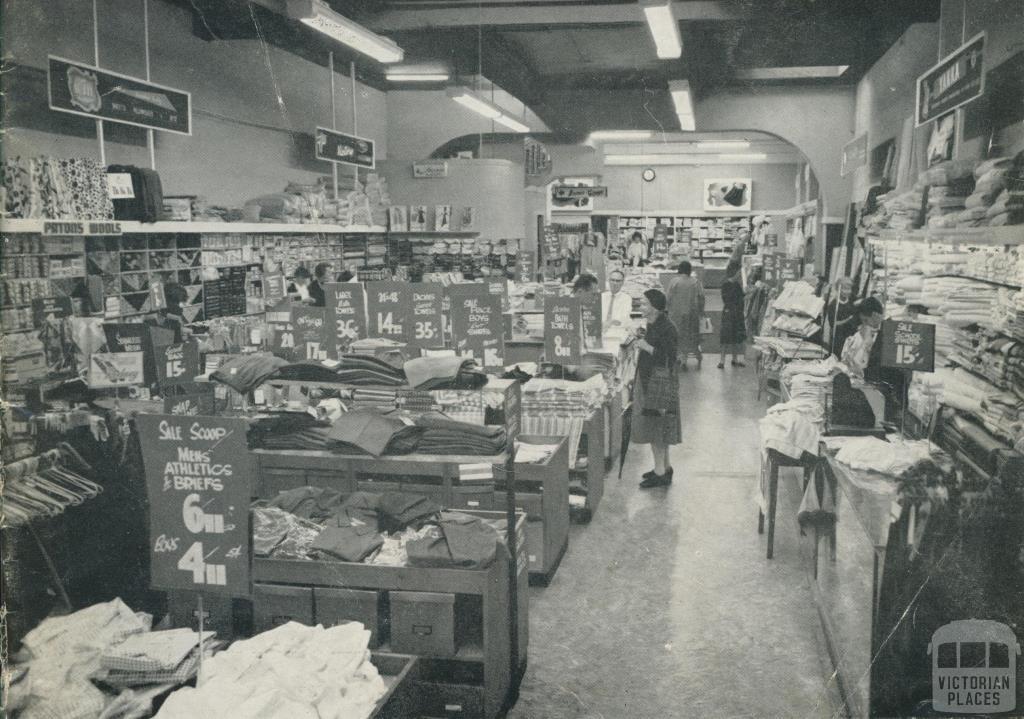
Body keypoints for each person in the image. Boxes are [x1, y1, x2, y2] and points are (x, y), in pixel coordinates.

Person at [631, 289, 680, 488]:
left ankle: (660, 473)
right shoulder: (654, 323)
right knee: (657, 426)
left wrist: (645, 346)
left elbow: (667, 356)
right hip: (652, 380)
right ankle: (663, 467)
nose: (640, 307)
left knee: (656, 428)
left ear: (654, 307)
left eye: (643, 304)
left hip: (659, 382)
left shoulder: (666, 327)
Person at [665, 261, 704, 370]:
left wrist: (666, 310)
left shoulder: (674, 281)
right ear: (689, 270)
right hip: (691, 314)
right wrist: (701, 311)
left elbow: (668, 298)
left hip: (675, 314)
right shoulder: (696, 282)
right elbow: (701, 298)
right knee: (689, 336)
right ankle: (686, 359)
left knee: (676, 336)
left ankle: (678, 357)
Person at [718, 260, 746, 368]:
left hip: (731, 312)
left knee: (734, 337)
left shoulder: (733, 284)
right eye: (739, 272)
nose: (740, 274)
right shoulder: (728, 284)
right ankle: (723, 360)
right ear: (734, 272)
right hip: (731, 312)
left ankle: (732, 359)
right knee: (727, 337)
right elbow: (731, 299)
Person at [822, 277, 856, 354]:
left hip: (851, 338)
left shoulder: (852, 301)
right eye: (845, 289)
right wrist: (848, 320)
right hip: (838, 340)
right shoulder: (833, 305)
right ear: (838, 289)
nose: (848, 292)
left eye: (849, 289)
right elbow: (833, 325)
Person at [601, 269, 633, 342]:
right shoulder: (602, 297)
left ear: (622, 283)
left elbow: (622, 319)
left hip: (617, 332)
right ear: (608, 281)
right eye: (612, 280)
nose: (615, 283)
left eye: (618, 281)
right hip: (601, 331)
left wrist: (609, 323)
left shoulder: (626, 298)